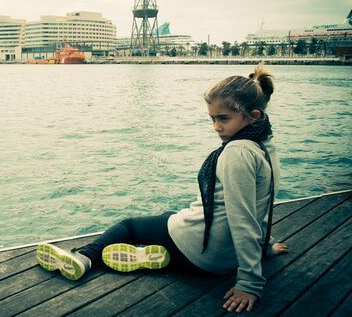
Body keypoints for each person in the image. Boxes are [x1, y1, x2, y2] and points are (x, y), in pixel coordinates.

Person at [36, 63, 290, 313]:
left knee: (130, 225)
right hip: (225, 257)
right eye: (212, 119)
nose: (216, 127)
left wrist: (249, 284)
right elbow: (261, 205)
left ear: (253, 115)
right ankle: (149, 255)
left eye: (223, 118)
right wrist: (264, 247)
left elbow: (242, 219)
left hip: (204, 256)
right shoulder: (264, 143)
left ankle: (84, 256)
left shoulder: (237, 152)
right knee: (171, 216)